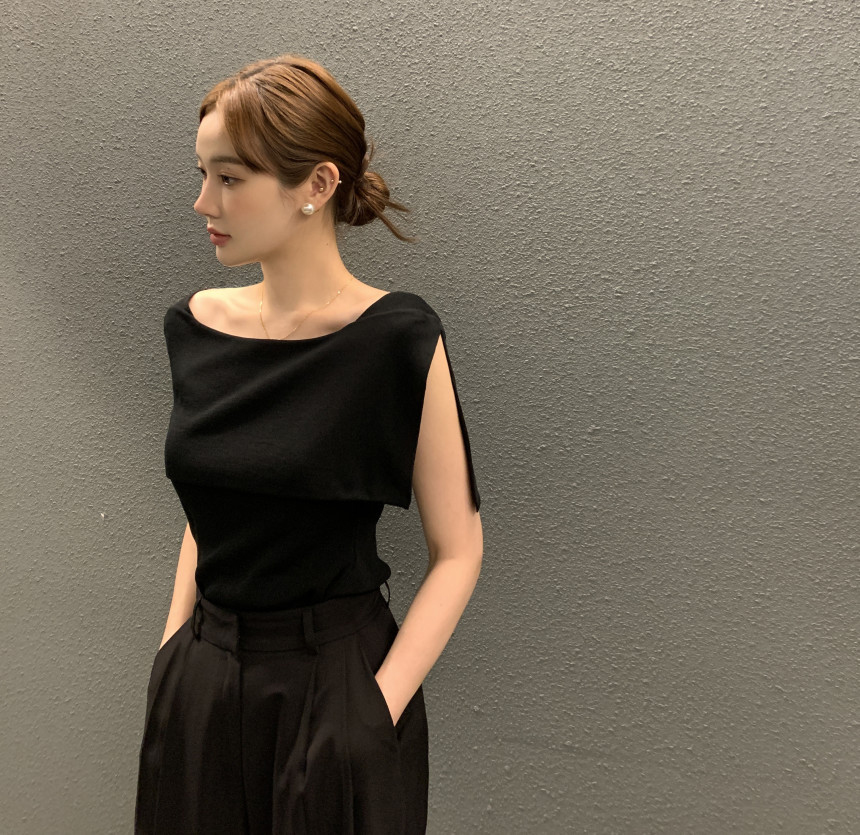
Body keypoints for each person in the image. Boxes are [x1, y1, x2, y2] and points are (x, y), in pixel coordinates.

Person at [134, 54, 483, 835]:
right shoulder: (194, 328)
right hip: (200, 682)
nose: (203, 201)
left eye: (230, 178)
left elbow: (459, 548)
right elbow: (214, 503)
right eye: (202, 174)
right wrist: (173, 652)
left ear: (317, 185)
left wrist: (374, 710)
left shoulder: (398, 339)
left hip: (337, 689)